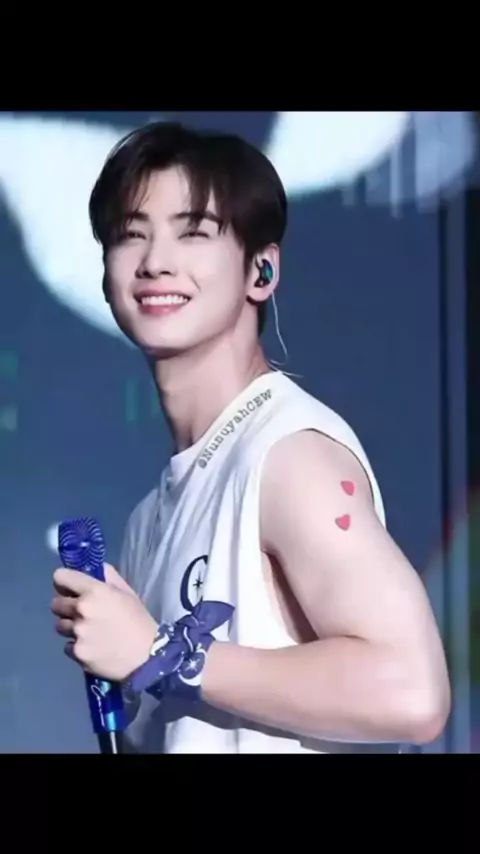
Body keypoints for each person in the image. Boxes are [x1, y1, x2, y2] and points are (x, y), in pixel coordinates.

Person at [51, 121, 451, 753]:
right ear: (105, 277)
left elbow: (412, 692)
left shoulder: (289, 456)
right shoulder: (148, 519)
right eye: (131, 234)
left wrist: (162, 652)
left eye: (193, 231)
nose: (156, 261)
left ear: (260, 270)